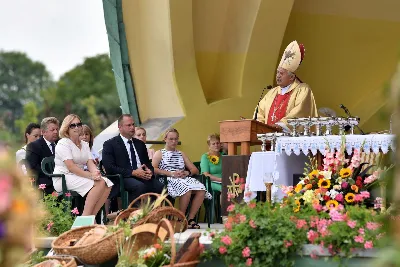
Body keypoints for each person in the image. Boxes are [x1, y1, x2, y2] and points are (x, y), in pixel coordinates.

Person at [53, 114, 113, 216]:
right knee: (98, 184)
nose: (77, 127)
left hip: (78, 175)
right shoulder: (63, 143)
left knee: (107, 183)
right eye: (73, 125)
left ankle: (90, 216)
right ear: (67, 128)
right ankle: (86, 217)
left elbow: (90, 162)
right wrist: (90, 175)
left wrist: (96, 172)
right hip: (63, 177)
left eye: (79, 124)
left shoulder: (84, 144)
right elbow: (71, 167)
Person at [152, 128, 212, 229]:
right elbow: (153, 169)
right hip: (167, 179)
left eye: (176, 139)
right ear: (165, 139)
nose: (174, 141)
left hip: (182, 178)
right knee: (187, 189)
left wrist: (186, 172)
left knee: (201, 189)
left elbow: (194, 169)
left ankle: (190, 219)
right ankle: (181, 218)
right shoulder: (160, 153)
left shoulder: (181, 153)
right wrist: (171, 173)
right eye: (171, 139)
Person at [254, 40, 318, 130]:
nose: (278, 76)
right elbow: (260, 112)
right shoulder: (272, 93)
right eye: (277, 73)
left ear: (291, 77)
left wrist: (280, 125)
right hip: (268, 139)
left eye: (281, 73)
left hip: (289, 139)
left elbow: (300, 113)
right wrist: (258, 124)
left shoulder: (302, 90)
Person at [102, 114, 164, 204]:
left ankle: (155, 214)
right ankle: (135, 216)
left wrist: (150, 171)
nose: (132, 127)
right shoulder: (110, 144)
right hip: (123, 178)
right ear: (120, 127)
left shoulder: (140, 144)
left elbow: (148, 164)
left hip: (142, 176)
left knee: (161, 187)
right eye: (129, 125)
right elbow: (109, 167)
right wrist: (133, 172)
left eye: (133, 124)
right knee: (139, 187)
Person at [26, 117, 60, 194]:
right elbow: (32, 167)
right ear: (43, 132)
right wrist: (53, 175)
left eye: (57, 129)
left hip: (62, 180)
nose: (55, 132)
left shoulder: (61, 144)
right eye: (52, 130)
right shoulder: (34, 146)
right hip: (45, 184)